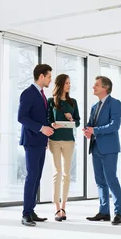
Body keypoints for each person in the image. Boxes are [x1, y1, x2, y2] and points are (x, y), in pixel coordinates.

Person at [83, 76, 121, 225]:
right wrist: (87, 130)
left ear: (105, 88)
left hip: (109, 148)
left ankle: (119, 213)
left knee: (111, 180)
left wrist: (95, 130)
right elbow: (91, 124)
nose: (93, 87)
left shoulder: (115, 103)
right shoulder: (95, 106)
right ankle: (104, 212)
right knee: (100, 181)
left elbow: (115, 126)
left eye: (96, 85)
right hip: (95, 148)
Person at [18, 64, 54, 226]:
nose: (50, 80)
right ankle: (26, 213)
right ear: (41, 76)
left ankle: (31, 211)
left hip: (40, 142)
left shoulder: (41, 95)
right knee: (32, 176)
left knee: (37, 177)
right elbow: (22, 117)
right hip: (31, 141)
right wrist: (41, 129)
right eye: (48, 77)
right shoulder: (28, 93)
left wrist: (49, 128)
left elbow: (40, 117)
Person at [47, 74, 80, 221]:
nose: (69, 85)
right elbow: (47, 119)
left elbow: (78, 122)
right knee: (57, 172)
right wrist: (52, 124)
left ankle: (64, 207)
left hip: (68, 140)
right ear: (60, 84)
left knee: (67, 174)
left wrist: (71, 119)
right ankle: (56, 208)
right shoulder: (51, 102)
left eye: (69, 83)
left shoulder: (73, 102)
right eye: (67, 83)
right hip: (54, 140)